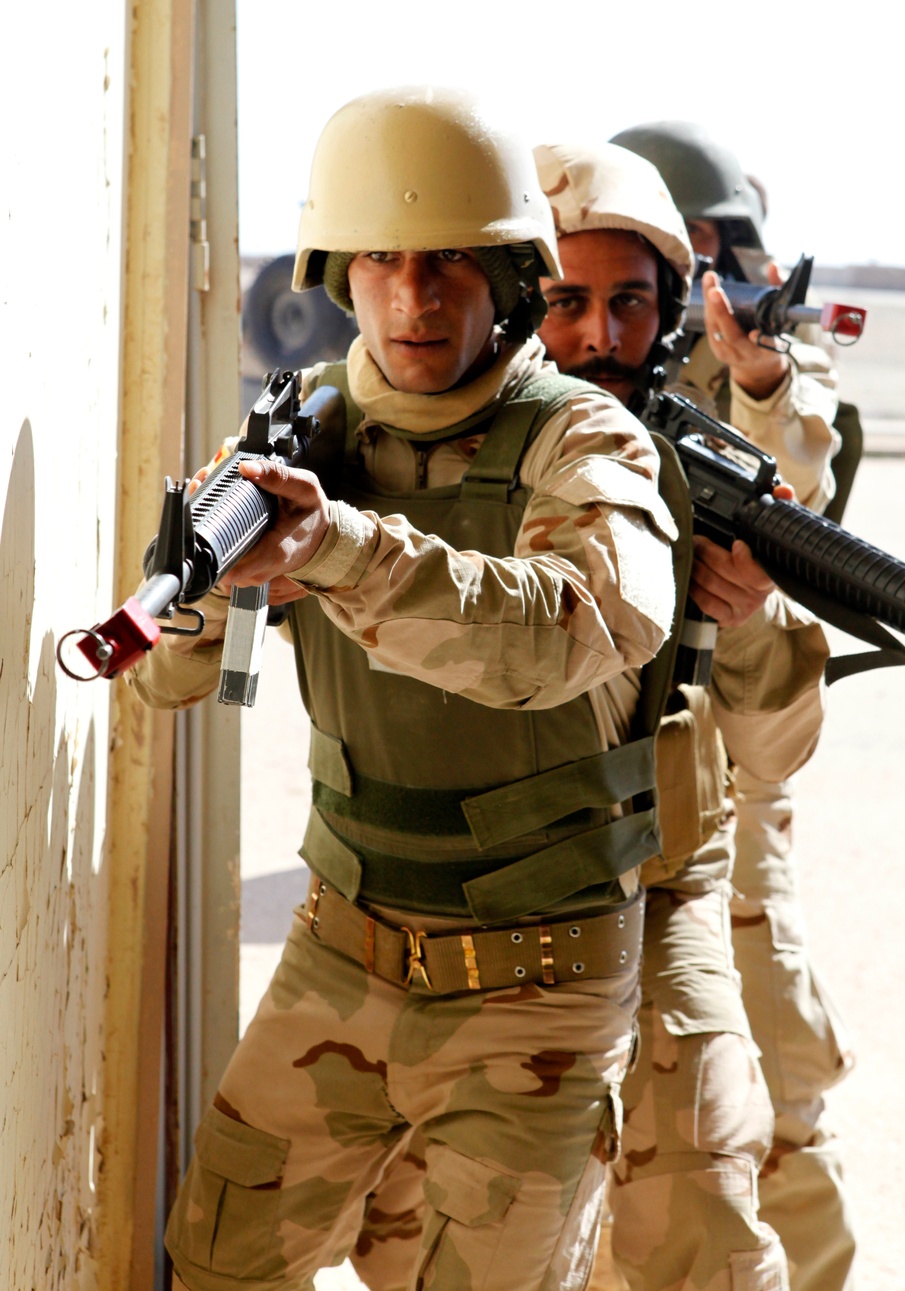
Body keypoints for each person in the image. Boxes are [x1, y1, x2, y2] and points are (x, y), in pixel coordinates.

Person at [132, 85, 687, 1291]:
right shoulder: (306, 436)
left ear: (510, 278)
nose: (414, 297)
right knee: (215, 1264)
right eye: (381, 259)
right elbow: (174, 687)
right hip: (343, 948)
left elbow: (580, 627)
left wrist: (336, 551)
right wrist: (206, 590)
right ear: (340, 275)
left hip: (536, 987)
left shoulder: (583, 440)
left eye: (448, 263)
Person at [345, 141, 833, 1291]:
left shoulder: (695, 467)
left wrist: (748, 619)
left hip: (659, 887)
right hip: (471, 905)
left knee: (713, 1215)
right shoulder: (423, 448)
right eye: (564, 301)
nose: (597, 337)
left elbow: (773, 750)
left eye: (628, 303)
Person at [612, 120, 857, 1291]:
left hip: (734, 778)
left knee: (780, 1109)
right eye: (677, 247)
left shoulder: (766, 370)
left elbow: (808, 485)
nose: (700, 269)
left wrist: (756, 378)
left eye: (718, 243)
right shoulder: (587, 355)